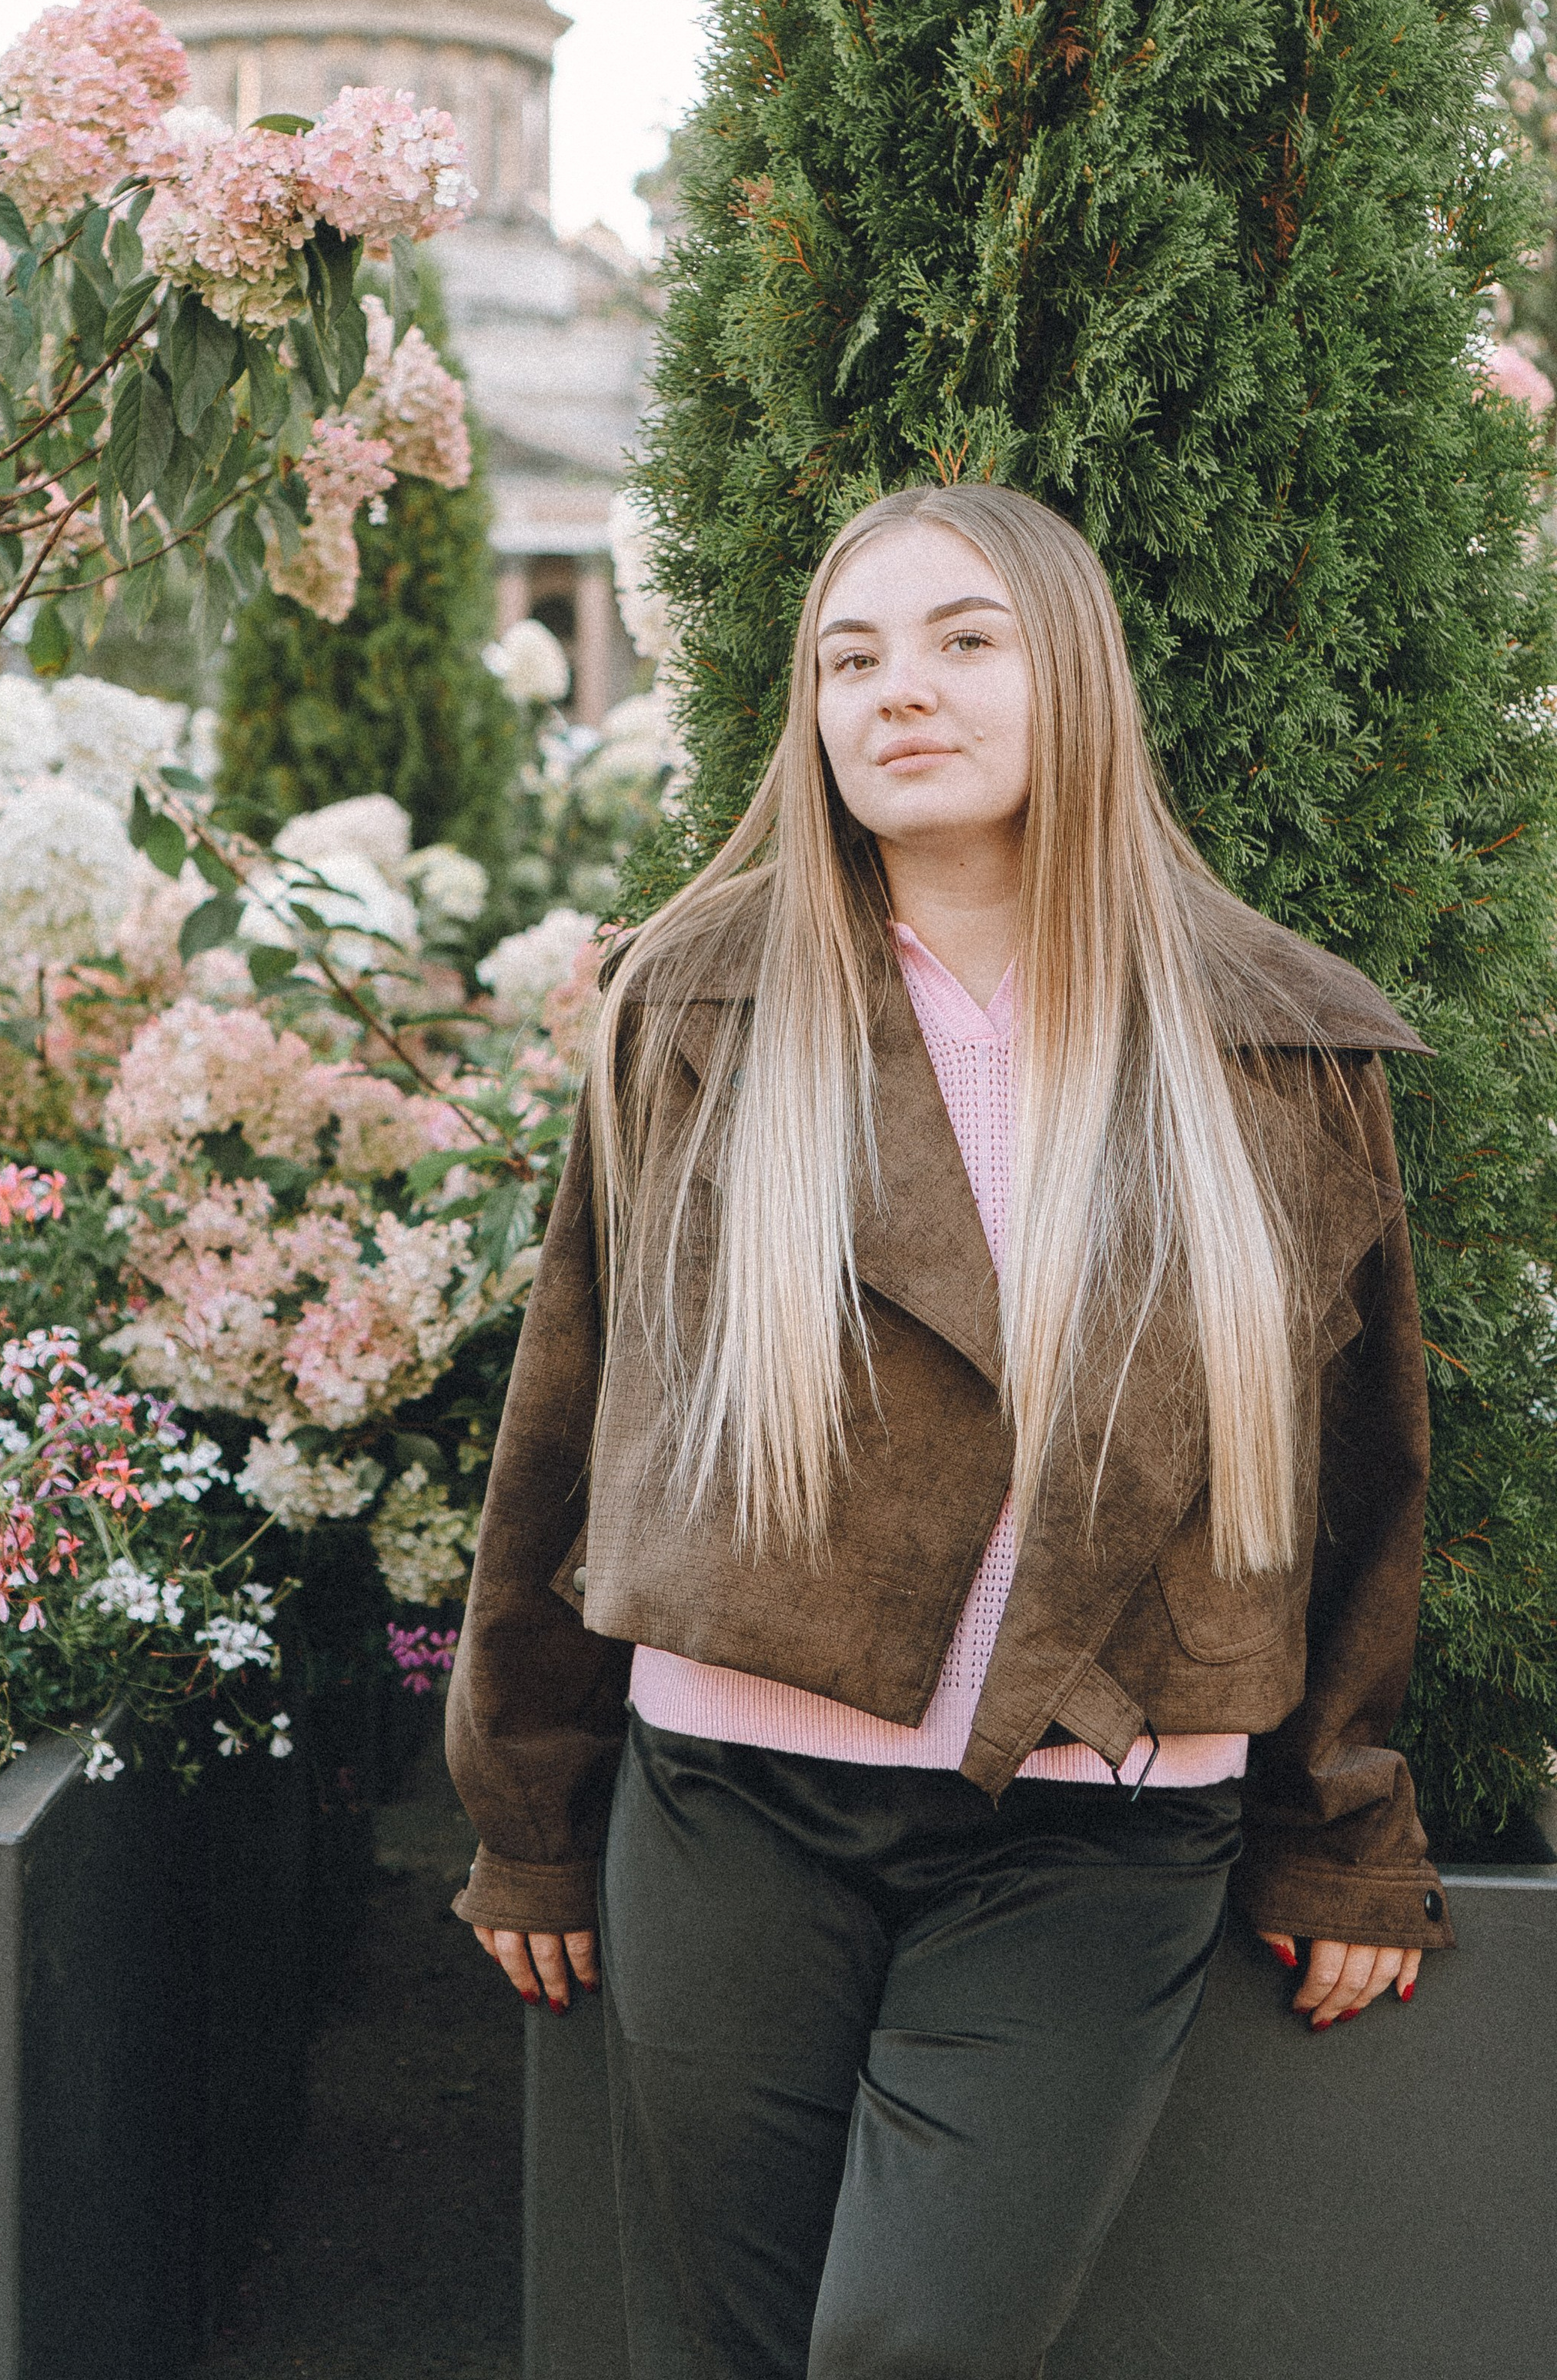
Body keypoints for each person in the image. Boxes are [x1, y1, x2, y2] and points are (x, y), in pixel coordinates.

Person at [446, 483, 1452, 2380]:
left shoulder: (1273, 1040)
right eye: (850, 657)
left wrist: (1337, 1834)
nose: (895, 690)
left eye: (962, 639)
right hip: (725, 1803)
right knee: (709, 2352)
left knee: (908, 2346)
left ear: (1069, 673)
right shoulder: (700, 998)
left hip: (1090, 1832)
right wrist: (529, 1814)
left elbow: (1358, 1471)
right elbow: (569, 1415)